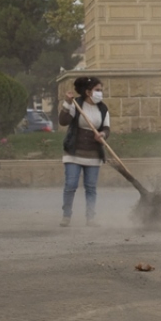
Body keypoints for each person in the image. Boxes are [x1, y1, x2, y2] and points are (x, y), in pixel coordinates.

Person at [58, 76, 109, 227]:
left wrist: (102, 135)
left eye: (101, 90)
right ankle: (66, 216)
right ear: (88, 92)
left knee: (91, 187)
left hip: (93, 153)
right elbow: (63, 121)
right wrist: (67, 103)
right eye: (97, 90)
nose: (100, 93)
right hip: (74, 152)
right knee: (71, 185)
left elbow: (106, 127)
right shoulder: (77, 104)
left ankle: (90, 218)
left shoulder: (103, 108)